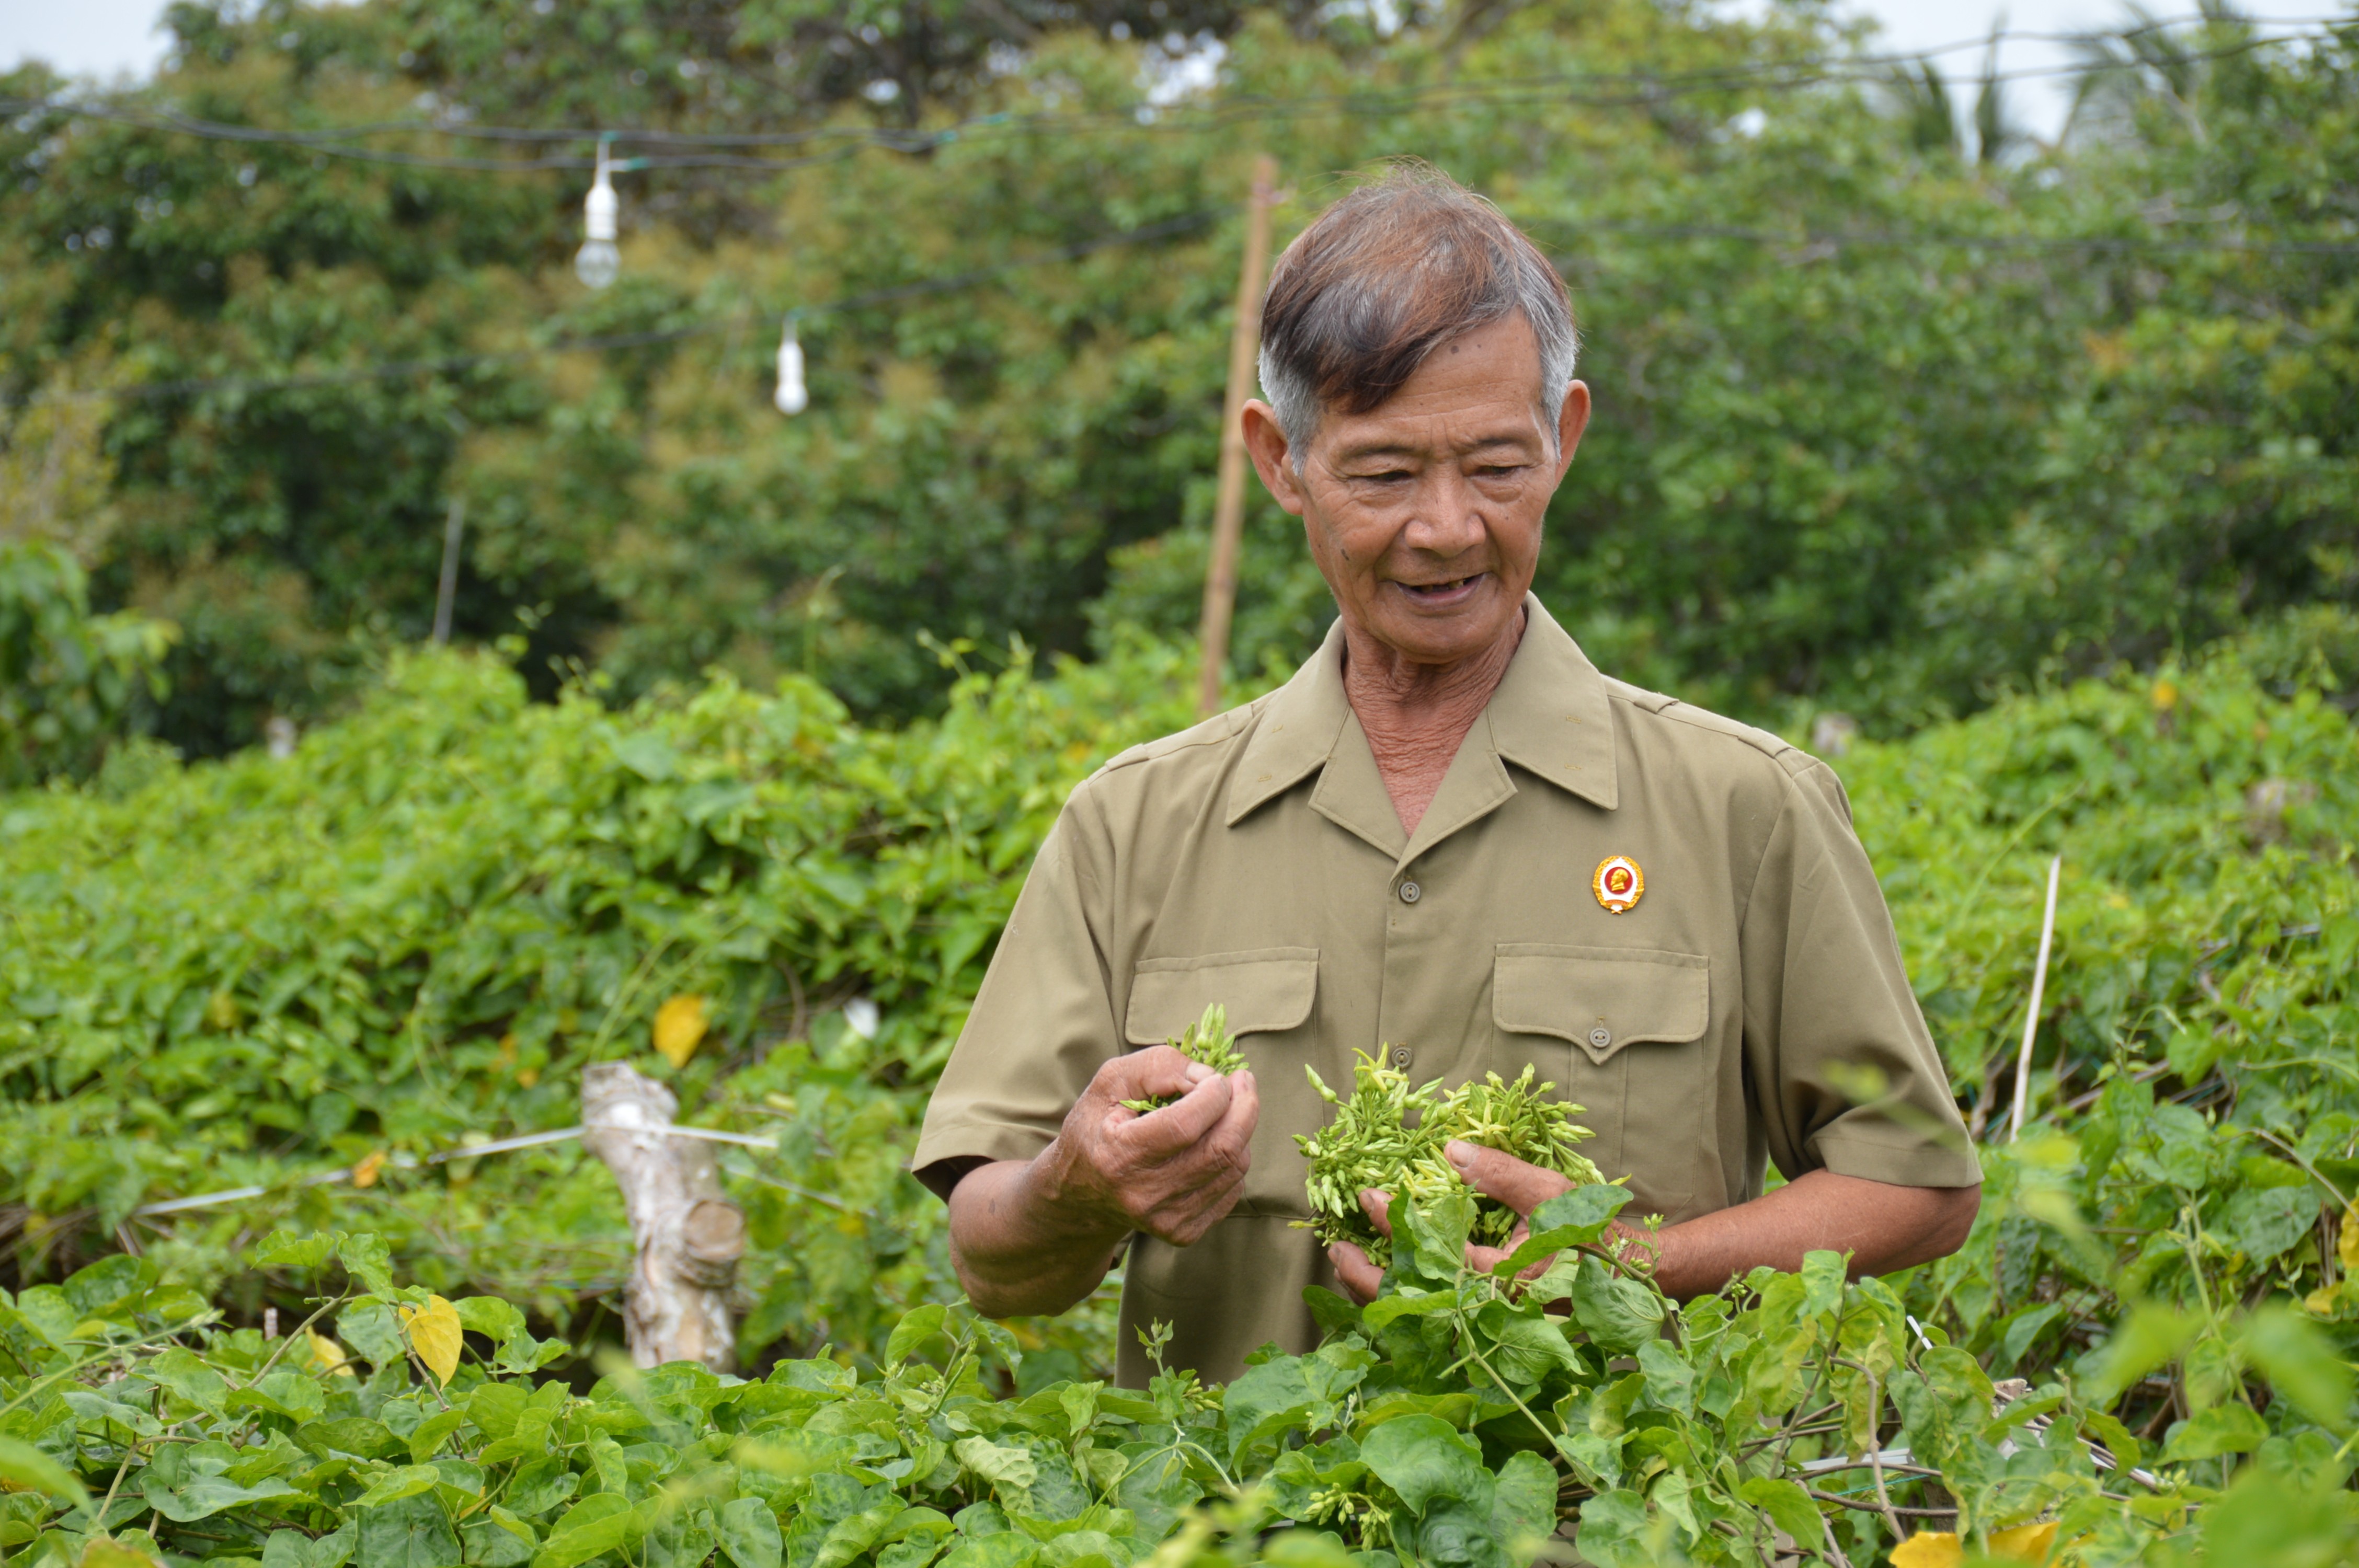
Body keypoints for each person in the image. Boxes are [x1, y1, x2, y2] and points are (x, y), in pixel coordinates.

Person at [912, 165, 1980, 1387]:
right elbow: (997, 1264)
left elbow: (1918, 1187)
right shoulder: (1135, 825)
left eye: (1496, 465)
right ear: (1280, 461)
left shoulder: (1745, 805)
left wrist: (1625, 1262)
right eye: (1381, 474)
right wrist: (1077, 1184)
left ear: (1566, 437)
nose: (1447, 528)